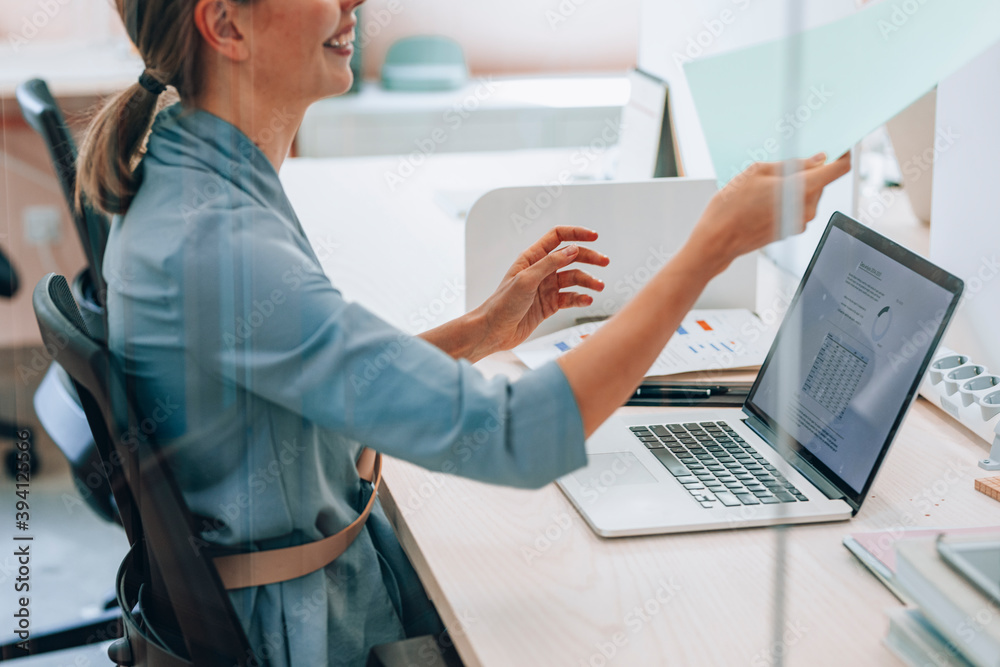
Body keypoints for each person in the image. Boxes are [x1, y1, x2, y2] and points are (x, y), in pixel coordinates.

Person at [76, 0, 851, 664]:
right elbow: (514, 437)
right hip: (307, 634)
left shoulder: (195, 170)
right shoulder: (221, 246)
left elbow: (302, 388)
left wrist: (481, 330)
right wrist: (710, 246)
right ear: (224, 25)